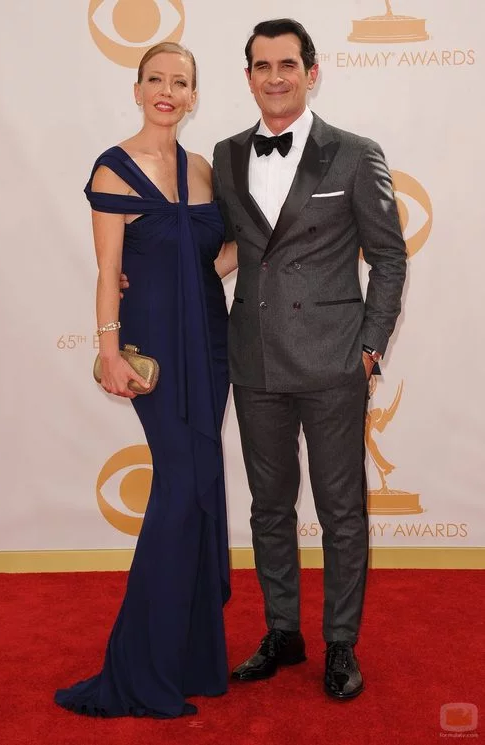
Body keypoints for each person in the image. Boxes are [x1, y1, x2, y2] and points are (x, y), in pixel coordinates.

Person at [211, 19, 406, 700]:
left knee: (341, 509)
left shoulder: (354, 154)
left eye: (287, 64)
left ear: (311, 72)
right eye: (262, 66)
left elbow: (388, 256)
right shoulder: (226, 154)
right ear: (248, 77)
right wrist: (142, 274)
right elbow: (223, 248)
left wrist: (370, 346)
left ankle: (340, 642)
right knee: (268, 507)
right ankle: (282, 631)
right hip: (254, 360)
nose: (275, 77)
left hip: (333, 363)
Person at [55, 42, 237, 719]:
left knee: (198, 489)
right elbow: (109, 271)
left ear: (193, 96)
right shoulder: (114, 166)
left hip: (209, 341)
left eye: (180, 82)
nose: (167, 91)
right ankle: (140, 666)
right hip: (154, 345)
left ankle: (190, 658)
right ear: (137, 90)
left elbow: (211, 262)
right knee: (180, 487)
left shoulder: (203, 169)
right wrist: (109, 351)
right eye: (156, 80)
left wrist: (276, 234)